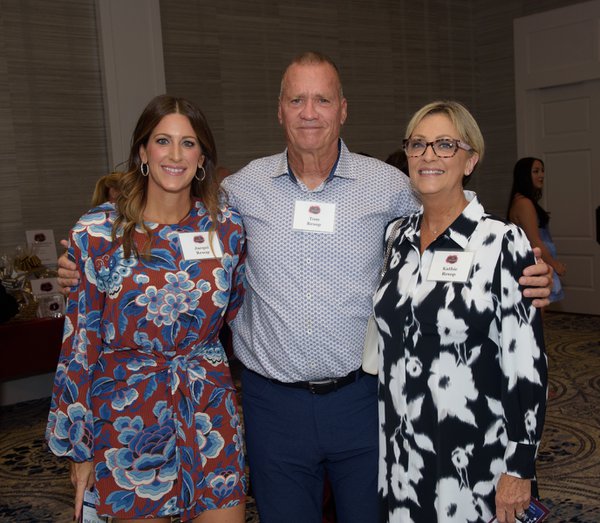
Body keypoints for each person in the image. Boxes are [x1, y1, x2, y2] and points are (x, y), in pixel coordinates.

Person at [57, 52, 553, 523]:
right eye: (297, 100)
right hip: (274, 406)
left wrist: (520, 266)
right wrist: (81, 268)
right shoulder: (240, 192)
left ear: (343, 110)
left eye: (322, 100)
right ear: (280, 111)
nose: (309, 112)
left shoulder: (388, 185)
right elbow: (174, 232)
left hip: (362, 401)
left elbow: (445, 201)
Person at [46, 95, 247, 523]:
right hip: (128, 412)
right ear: (142, 151)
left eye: (188, 143)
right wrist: (79, 448)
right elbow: (80, 345)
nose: (175, 155)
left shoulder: (226, 227)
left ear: (203, 156)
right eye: (162, 141)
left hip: (208, 402)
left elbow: (236, 308)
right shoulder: (98, 232)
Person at [374, 101, 548, 523]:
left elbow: (525, 363)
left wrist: (519, 466)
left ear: (470, 160)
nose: (429, 155)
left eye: (445, 145)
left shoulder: (501, 242)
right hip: (402, 455)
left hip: (476, 455)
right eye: (418, 144)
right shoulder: (396, 237)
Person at [507, 157, 565, 303]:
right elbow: (534, 240)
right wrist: (554, 264)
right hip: (535, 263)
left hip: (540, 262)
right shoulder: (524, 203)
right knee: (538, 312)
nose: (541, 175)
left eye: (542, 171)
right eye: (536, 171)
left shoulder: (527, 201)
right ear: (524, 175)